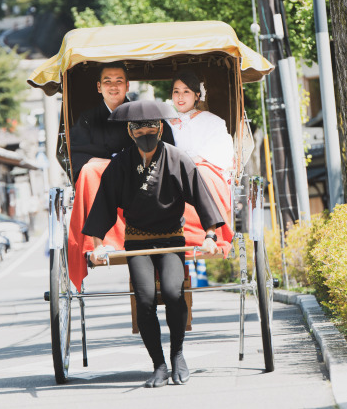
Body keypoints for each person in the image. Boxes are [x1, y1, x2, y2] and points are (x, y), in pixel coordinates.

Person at [84, 100, 224, 388]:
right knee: (145, 299)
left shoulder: (177, 158)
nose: (145, 133)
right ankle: (158, 364)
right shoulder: (121, 163)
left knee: (173, 292)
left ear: (160, 128)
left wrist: (210, 236)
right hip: (138, 241)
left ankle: (177, 355)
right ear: (130, 131)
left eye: (150, 128)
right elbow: (103, 205)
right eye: (138, 129)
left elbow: (201, 198)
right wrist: (97, 245)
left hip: (172, 238)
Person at [67, 62, 174, 291]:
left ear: (127, 85)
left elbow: (167, 147)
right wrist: (113, 164)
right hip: (108, 186)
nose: (113, 87)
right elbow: (78, 156)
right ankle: (102, 242)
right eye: (107, 82)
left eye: (119, 81)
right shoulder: (87, 119)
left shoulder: (145, 113)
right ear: (99, 87)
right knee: (90, 171)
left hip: (144, 184)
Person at [166, 70, 234, 253]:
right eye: (176, 91)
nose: (180, 97)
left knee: (198, 174)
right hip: (173, 170)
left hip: (204, 169)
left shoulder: (213, 121)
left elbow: (221, 151)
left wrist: (193, 162)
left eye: (186, 91)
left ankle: (206, 235)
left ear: (197, 95)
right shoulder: (165, 123)